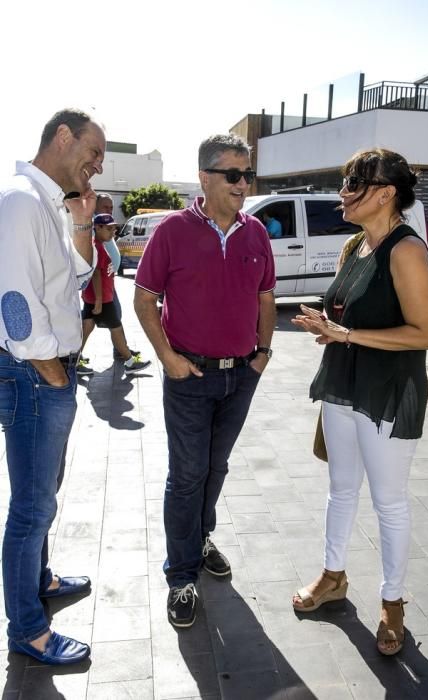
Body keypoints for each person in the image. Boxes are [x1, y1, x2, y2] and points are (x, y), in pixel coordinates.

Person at [291, 148, 428, 656]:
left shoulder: (406, 250)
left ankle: (392, 604)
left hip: (386, 395)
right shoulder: (354, 245)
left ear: (385, 193)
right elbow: (347, 320)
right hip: (343, 385)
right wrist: (328, 328)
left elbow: (427, 334)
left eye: (356, 181)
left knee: (389, 503)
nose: (344, 191)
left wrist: (347, 333)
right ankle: (333, 577)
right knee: (340, 489)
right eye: (345, 180)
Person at [134, 134, 276, 628]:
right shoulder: (172, 230)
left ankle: (200, 536)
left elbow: (265, 297)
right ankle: (181, 576)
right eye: (233, 175)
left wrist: (262, 355)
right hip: (188, 375)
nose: (243, 184)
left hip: (240, 376)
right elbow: (144, 299)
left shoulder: (255, 232)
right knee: (188, 474)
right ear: (205, 176)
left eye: (247, 175)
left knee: (216, 468)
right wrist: (168, 357)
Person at [0, 108, 107, 664]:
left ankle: (38, 581)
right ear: (62, 137)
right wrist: (54, 374)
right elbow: (15, 307)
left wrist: (83, 223)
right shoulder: (21, 200)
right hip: (35, 375)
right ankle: (28, 631)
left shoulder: (48, 204)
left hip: (47, 374)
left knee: (43, 497)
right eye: (93, 150)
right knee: (31, 509)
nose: (98, 163)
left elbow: (78, 277)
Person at [78, 213, 151, 376]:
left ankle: (74, 361)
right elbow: (96, 273)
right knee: (116, 329)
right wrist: (98, 301)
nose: (113, 232)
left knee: (87, 328)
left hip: (99, 297)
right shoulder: (95, 246)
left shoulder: (98, 244)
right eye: (109, 229)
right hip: (102, 299)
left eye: (114, 229)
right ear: (97, 228)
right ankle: (130, 362)